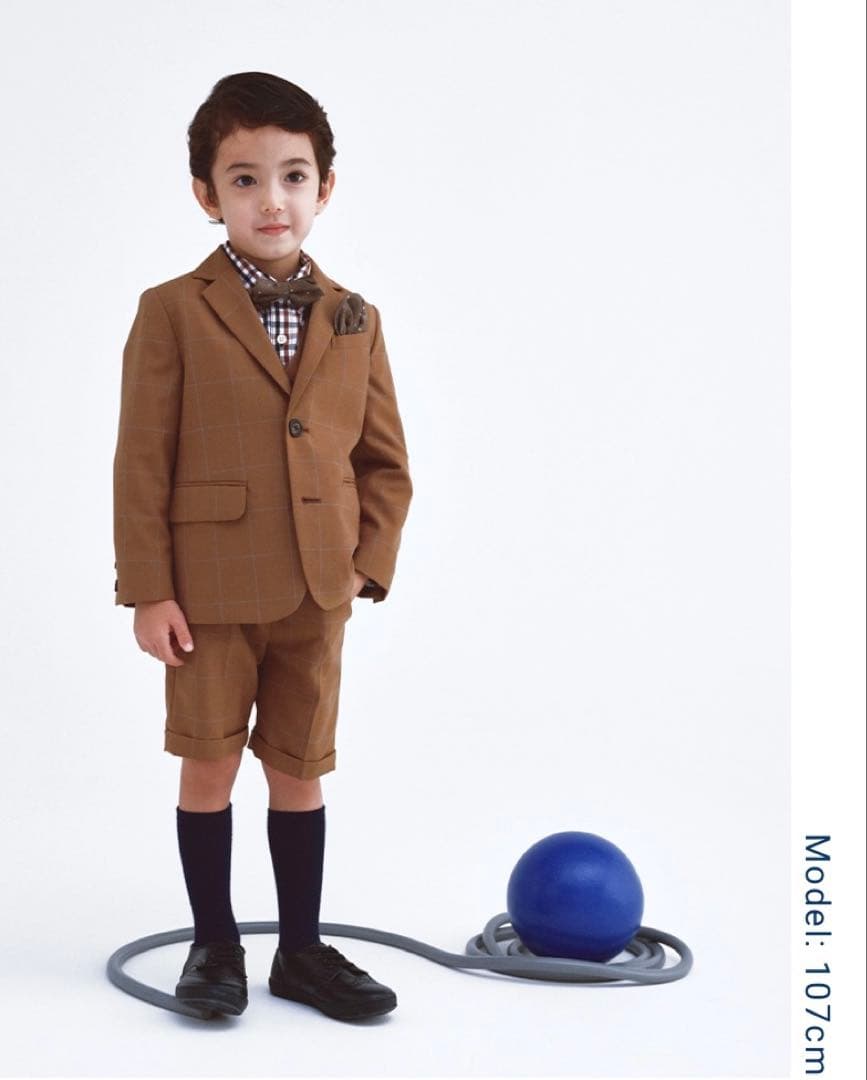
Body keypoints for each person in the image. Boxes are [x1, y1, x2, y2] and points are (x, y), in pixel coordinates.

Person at [112, 71, 413, 1022]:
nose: (271, 199)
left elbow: (384, 461)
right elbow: (141, 460)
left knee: (299, 770)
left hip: (318, 592)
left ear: (325, 187)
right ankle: (213, 945)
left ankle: (301, 951)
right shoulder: (172, 309)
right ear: (207, 194)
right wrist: (149, 589)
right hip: (205, 593)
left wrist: (364, 567)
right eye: (244, 180)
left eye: (293, 176)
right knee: (208, 766)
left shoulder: (355, 316)